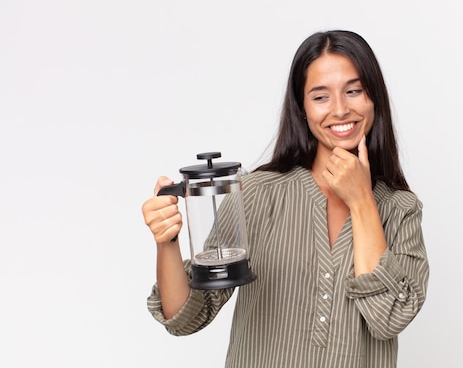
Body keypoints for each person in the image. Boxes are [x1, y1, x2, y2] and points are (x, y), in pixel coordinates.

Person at [142, 30, 429, 368]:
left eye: (353, 91)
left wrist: (362, 201)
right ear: (302, 108)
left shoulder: (400, 209)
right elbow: (186, 317)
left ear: (373, 100)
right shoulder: (256, 194)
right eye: (320, 97)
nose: (340, 109)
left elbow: (389, 318)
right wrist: (167, 242)